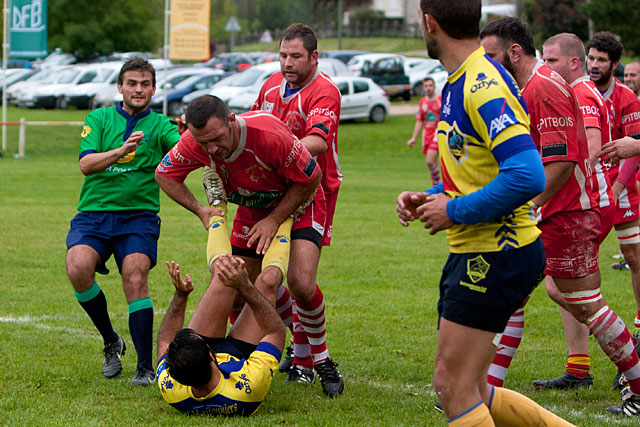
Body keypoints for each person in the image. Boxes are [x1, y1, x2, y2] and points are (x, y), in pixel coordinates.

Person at [397, 2, 574, 425]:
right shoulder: (457, 82)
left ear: (429, 22)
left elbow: (528, 175)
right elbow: (477, 171)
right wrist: (432, 196)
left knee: (452, 386)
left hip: (496, 252)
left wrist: (453, 210)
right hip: (483, 249)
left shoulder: (482, 84)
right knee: (471, 386)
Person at [480, 18, 640, 416]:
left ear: (515, 53)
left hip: (569, 212)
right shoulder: (531, 86)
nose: (487, 66)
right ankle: (484, 387)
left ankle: (636, 383)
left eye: (493, 57)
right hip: (564, 208)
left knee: (585, 302)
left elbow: (567, 158)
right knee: (516, 294)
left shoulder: (544, 87)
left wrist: (530, 205)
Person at [155, 95, 322, 353]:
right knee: (236, 289)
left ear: (231, 121)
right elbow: (164, 175)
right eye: (203, 142)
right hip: (253, 205)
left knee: (300, 282)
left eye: (216, 139)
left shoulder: (269, 133)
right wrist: (200, 210)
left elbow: (312, 177)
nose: (211, 149)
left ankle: (318, 359)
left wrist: (275, 219)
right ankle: (247, 352)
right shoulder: (193, 142)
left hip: (299, 199)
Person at [65, 57, 180, 386]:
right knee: (77, 267)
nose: (138, 89)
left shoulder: (160, 126)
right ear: (120, 87)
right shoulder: (99, 118)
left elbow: (183, 151)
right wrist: (121, 150)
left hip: (138, 217)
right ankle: (111, 341)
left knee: (135, 275)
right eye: (132, 83)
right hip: (94, 214)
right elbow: (86, 164)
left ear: (154, 89)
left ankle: (145, 368)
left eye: (145, 84)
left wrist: (191, 134)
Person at [250, 22, 344, 396]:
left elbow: (318, 143)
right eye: (283, 55)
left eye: (295, 57)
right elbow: (253, 124)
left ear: (314, 57)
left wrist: (277, 154)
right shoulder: (270, 86)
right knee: (261, 277)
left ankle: (316, 358)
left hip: (314, 191)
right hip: (269, 193)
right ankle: (301, 355)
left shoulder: (325, 92)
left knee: (301, 282)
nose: (287, 63)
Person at [519, 32, 615, 390]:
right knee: (558, 288)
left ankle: (622, 350)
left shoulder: (579, 92)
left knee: (563, 289)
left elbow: (589, 146)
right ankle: (580, 367)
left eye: (552, 60)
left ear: (573, 63)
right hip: (577, 201)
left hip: (583, 203)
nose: (546, 67)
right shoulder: (572, 90)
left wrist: (551, 188)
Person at [156, 256, 285, 416]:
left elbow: (164, 341)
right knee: (268, 281)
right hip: (244, 355)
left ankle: (217, 230)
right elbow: (276, 331)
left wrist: (180, 296)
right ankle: (284, 232)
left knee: (223, 272)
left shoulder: (171, 386)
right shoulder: (250, 384)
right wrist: (245, 286)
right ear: (212, 355)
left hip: (201, 364)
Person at [588, 32, 640, 340]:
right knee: (582, 257)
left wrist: (620, 187)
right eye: (591, 58)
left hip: (621, 188)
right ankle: (592, 318)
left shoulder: (627, 98)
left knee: (633, 257)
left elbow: (634, 148)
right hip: (589, 188)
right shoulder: (579, 91)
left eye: (601, 60)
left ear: (615, 64)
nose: (594, 65)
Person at [407, 77, 442, 186]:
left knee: (429, 160)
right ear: (423, 88)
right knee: (433, 164)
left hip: (438, 132)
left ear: (434, 86)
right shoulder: (423, 102)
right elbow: (420, 121)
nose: (428, 88)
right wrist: (413, 138)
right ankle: (436, 187)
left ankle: (440, 186)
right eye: (426, 86)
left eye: (430, 85)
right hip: (427, 133)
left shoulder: (440, 99)